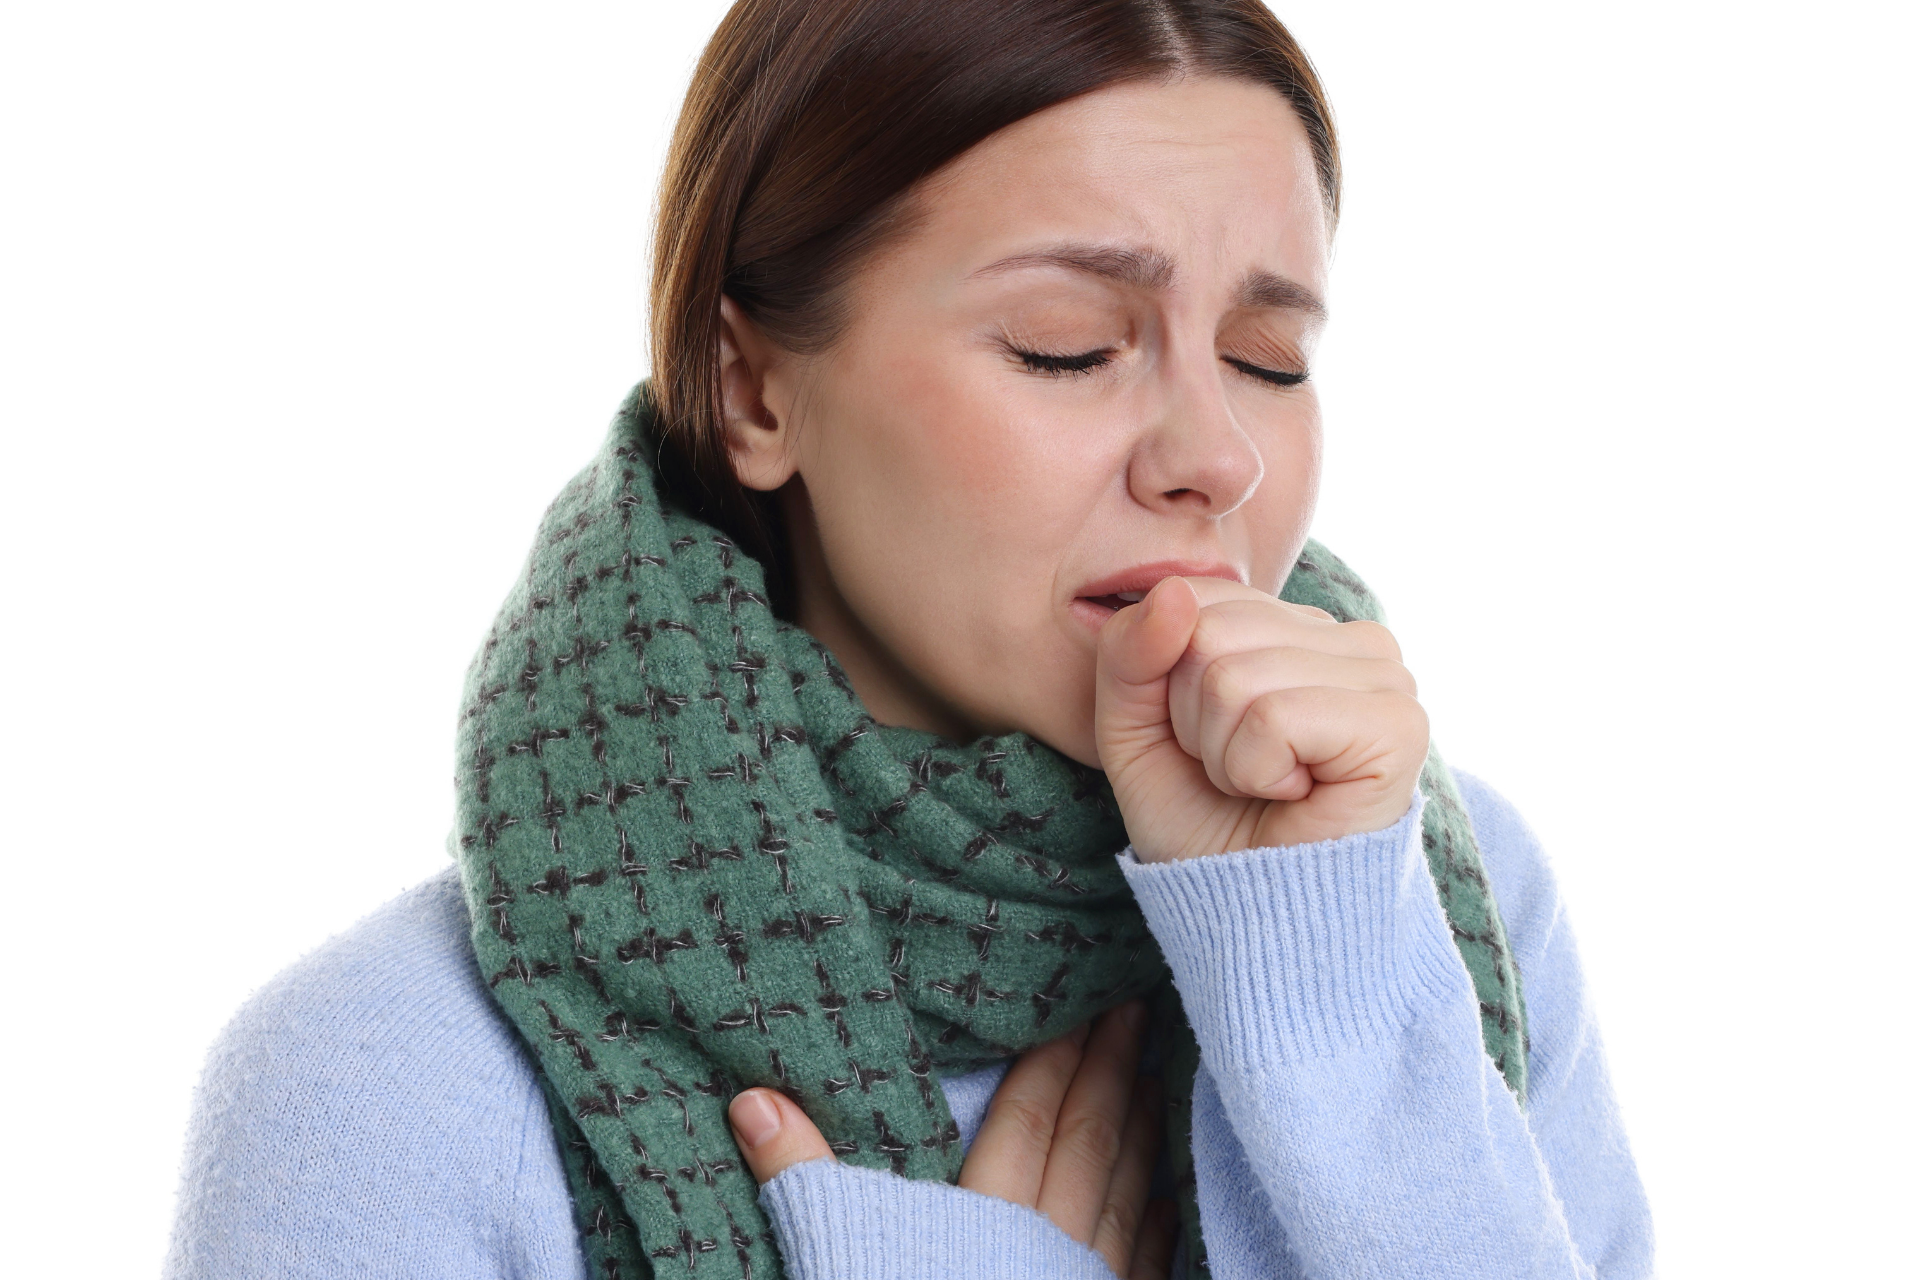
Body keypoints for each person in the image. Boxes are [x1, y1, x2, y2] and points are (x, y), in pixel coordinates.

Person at [163, 2, 1653, 1277]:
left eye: (1271, 360)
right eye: (1066, 344)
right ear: (755, 394)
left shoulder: (1434, 893)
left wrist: (1328, 986)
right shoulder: (380, 1082)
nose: (1217, 454)